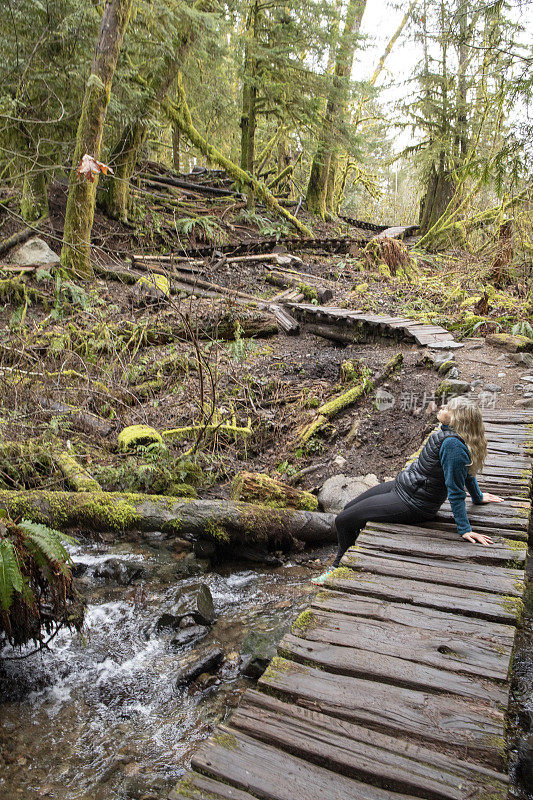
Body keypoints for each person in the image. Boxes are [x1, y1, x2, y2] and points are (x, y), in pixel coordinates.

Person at [312, 395, 504, 585]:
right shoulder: (449, 434)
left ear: (457, 419)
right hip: (405, 486)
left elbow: (456, 489)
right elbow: (467, 471)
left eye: (448, 408)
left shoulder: (453, 446)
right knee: (348, 509)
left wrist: (464, 529)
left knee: (343, 520)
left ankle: (338, 568)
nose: (442, 408)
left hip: (414, 503)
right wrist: (478, 497)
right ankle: (354, 551)